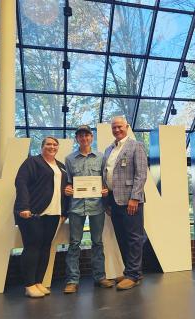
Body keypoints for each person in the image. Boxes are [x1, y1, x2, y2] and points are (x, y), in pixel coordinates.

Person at [14, 136, 68, 298]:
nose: (52, 147)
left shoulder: (61, 166)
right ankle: (29, 285)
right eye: (48, 144)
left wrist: (64, 212)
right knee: (32, 246)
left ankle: (38, 282)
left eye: (55, 145)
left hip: (54, 214)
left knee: (45, 247)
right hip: (33, 213)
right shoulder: (32, 162)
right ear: (42, 146)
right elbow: (21, 182)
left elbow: (64, 189)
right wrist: (24, 207)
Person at [63, 125, 113, 293]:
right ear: (77, 138)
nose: (84, 138)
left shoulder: (101, 157)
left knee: (97, 243)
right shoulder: (69, 159)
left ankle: (100, 277)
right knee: (74, 244)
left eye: (87, 135)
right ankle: (72, 281)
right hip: (76, 207)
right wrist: (68, 189)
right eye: (80, 136)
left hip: (97, 206)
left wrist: (105, 189)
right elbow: (69, 182)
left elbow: (104, 180)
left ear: (91, 137)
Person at [103, 116, 148, 290]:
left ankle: (134, 275)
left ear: (127, 127)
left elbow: (141, 174)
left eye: (120, 127)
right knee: (122, 237)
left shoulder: (136, 146)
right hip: (113, 201)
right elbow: (106, 174)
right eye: (114, 127)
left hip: (131, 201)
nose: (117, 130)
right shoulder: (108, 150)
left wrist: (135, 198)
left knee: (134, 238)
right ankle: (131, 270)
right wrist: (106, 200)